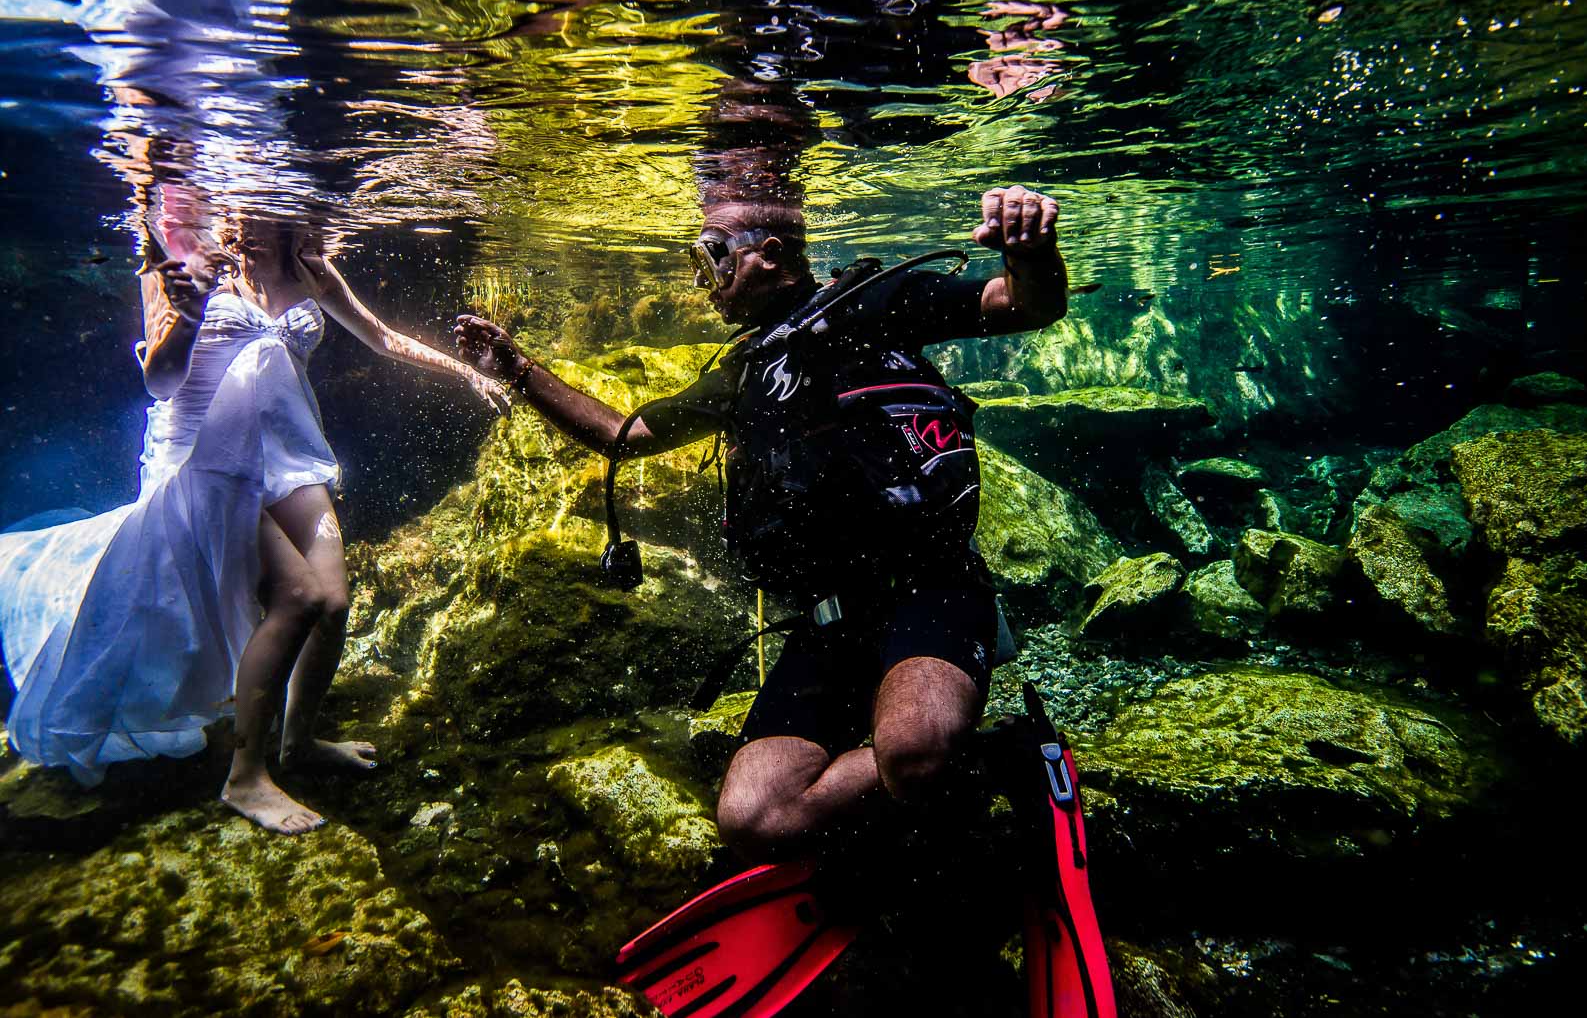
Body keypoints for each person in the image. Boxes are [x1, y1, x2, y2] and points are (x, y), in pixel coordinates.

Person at [454, 183, 1065, 859]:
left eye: (713, 256)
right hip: (829, 618)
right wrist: (518, 372)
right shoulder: (741, 372)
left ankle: (965, 761)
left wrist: (1031, 252)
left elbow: (1022, 303)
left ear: (769, 254)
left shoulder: (875, 302)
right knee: (754, 816)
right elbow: (622, 436)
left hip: (931, 587)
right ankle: (954, 755)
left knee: (913, 755)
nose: (703, 281)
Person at [0, 212, 507, 835]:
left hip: (289, 459)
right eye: (243, 211)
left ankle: (301, 743)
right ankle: (245, 778)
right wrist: (186, 314)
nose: (254, 222)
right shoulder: (173, 261)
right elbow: (160, 382)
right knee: (298, 598)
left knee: (335, 601)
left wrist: (468, 371)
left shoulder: (310, 268)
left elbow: (380, 338)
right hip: (206, 464)